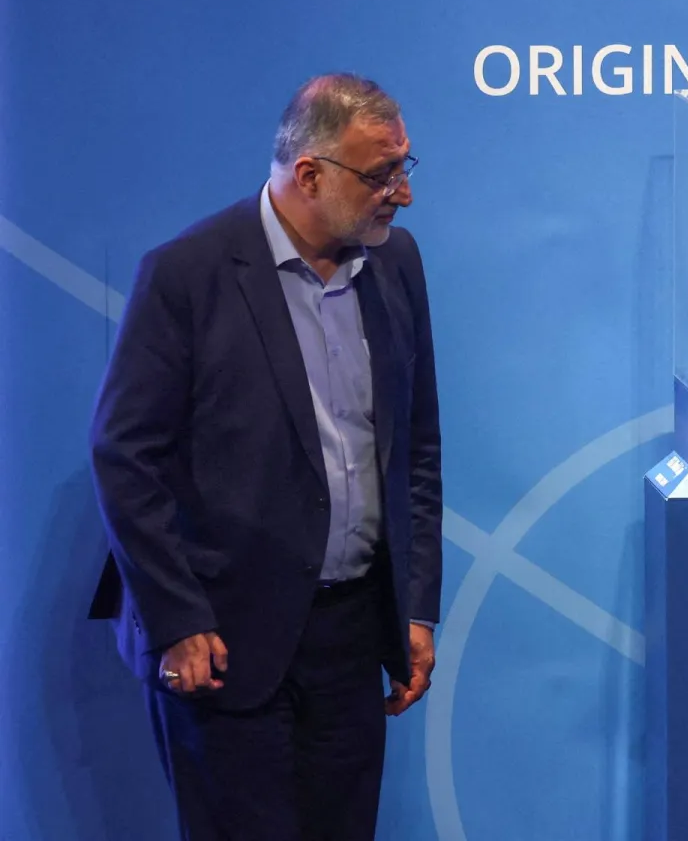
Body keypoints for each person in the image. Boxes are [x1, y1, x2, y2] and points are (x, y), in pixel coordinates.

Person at [88, 73, 444, 840]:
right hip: (222, 639)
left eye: (403, 169)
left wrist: (414, 606)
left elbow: (415, 450)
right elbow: (125, 456)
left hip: (351, 636)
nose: (401, 195)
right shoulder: (187, 274)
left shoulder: (397, 263)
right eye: (381, 175)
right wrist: (177, 620)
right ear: (308, 174)